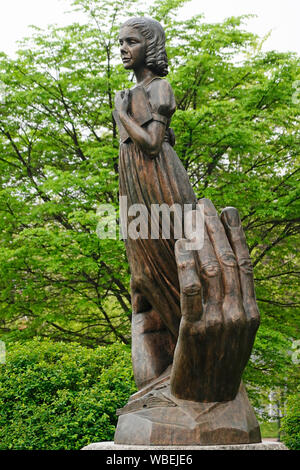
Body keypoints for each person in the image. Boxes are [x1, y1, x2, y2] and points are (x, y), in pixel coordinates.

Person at [114, 17, 260, 401]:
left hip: (161, 187)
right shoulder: (132, 91)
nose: (123, 48)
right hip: (135, 187)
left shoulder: (159, 87)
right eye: (121, 42)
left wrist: (122, 115)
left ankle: (197, 368)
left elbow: (152, 143)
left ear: (150, 46)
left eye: (131, 41)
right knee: (142, 281)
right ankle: (163, 374)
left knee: (171, 273)